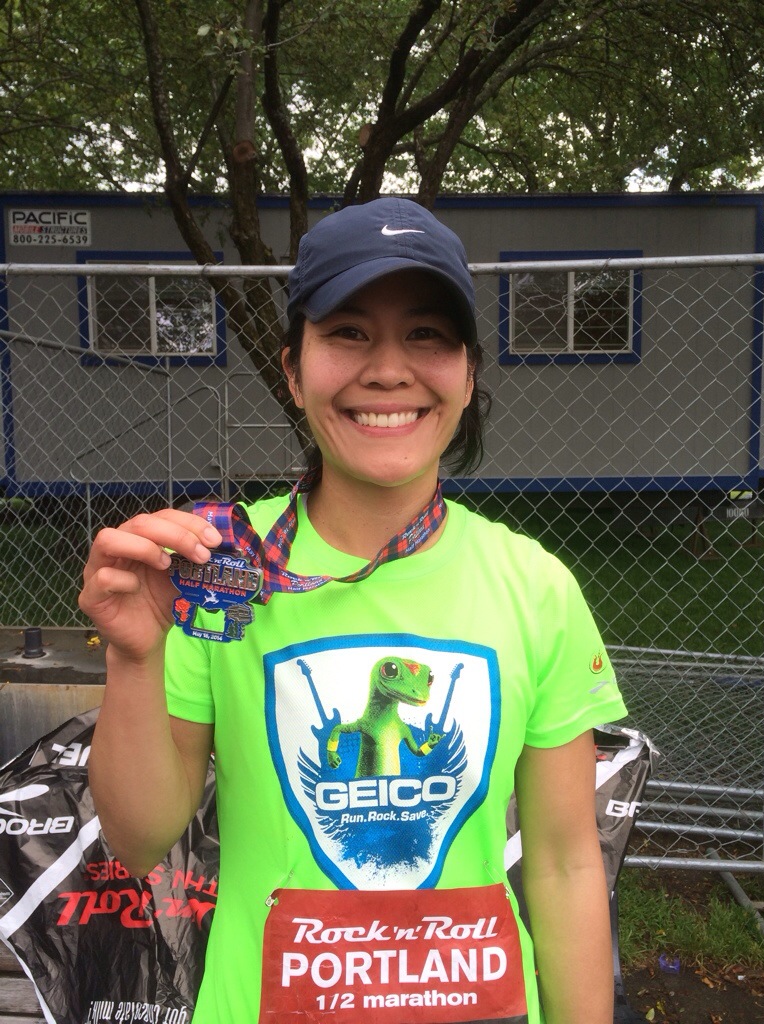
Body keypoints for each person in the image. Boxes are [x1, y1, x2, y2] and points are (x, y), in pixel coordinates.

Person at [80, 197, 627, 1024]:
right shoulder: (217, 572)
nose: (388, 370)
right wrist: (133, 657)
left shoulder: (535, 585)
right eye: (348, 332)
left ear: (468, 374)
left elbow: (565, 864)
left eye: (427, 334)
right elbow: (139, 839)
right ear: (294, 372)